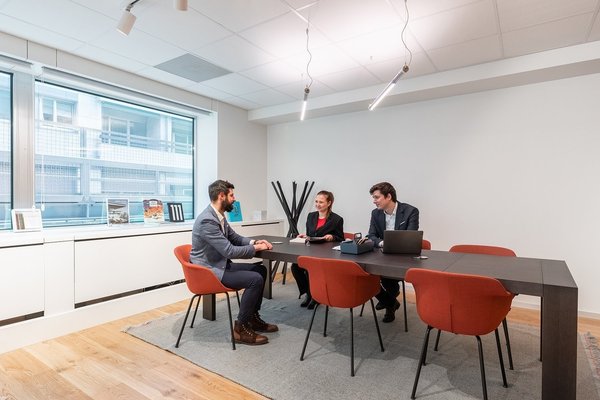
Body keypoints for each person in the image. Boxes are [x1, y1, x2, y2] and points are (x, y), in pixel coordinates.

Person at [190, 180, 278, 346]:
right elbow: (229, 251)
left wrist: (254, 242)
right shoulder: (207, 220)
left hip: (219, 264)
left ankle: (252, 318)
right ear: (221, 196)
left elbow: (234, 238)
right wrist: (256, 248)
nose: (234, 199)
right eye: (231, 195)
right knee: (255, 279)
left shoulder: (219, 216)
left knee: (261, 270)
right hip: (209, 271)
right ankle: (240, 329)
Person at [367, 182, 419, 323]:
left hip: (402, 256)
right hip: (382, 255)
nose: (374, 201)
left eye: (377, 197)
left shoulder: (410, 211)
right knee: (365, 274)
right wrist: (383, 243)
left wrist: (389, 243)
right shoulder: (375, 213)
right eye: (373, 197)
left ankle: (388, 302)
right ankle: (390, 302)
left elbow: (410, 237)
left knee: (386, 275)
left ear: (388, 196)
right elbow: (371, 236)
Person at [290, 190, 344, 309]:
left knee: (312, 269)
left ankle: (315, 297)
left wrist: (332, 237)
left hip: (325, 254)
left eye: (321, 202)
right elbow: (310, 234)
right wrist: (305, 236)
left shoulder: (337, 219)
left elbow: (341, 239)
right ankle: (309, 294)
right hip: (310, 251)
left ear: (329, 203)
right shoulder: (311, 216)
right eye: (316, 201)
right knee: (295, 267)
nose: (317, 204)